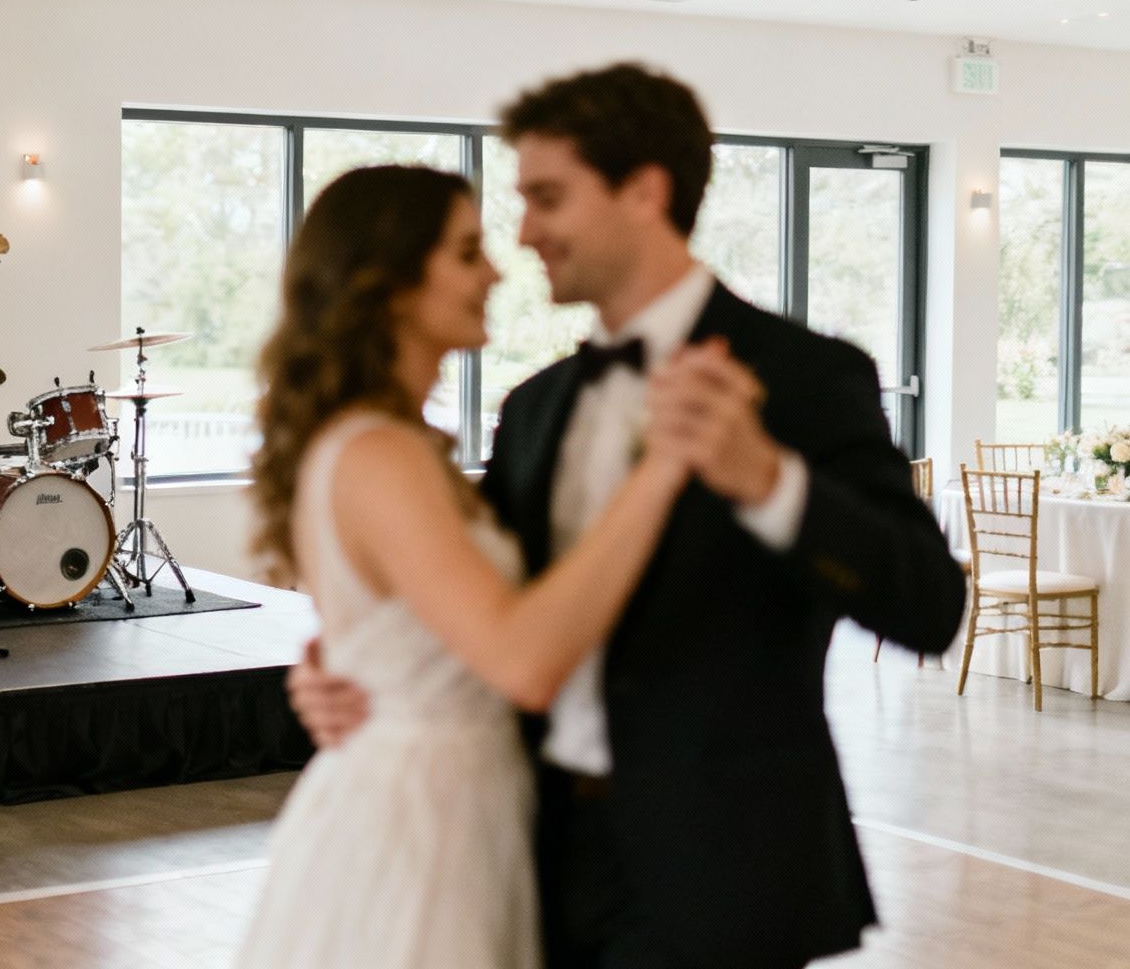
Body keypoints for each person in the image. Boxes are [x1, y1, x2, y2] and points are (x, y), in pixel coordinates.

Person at [285, 65, 969, 969]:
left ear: (644, 191)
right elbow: (477, 600)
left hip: (722, 874)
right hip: (529, 856)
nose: (523, 234)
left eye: (547, 198)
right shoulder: (533, 409)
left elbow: (929, 608)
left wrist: (768, 480)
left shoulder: (806, 376)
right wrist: (339, 663)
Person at [234, 166, 691, 968]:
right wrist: (659, 472)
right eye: (466, 251)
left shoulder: (405, 446)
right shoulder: (380, 455)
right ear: (391, 281)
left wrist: (348, 662)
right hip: (420, 820)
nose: (496, 270)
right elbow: (520, 659)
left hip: (469, 800)